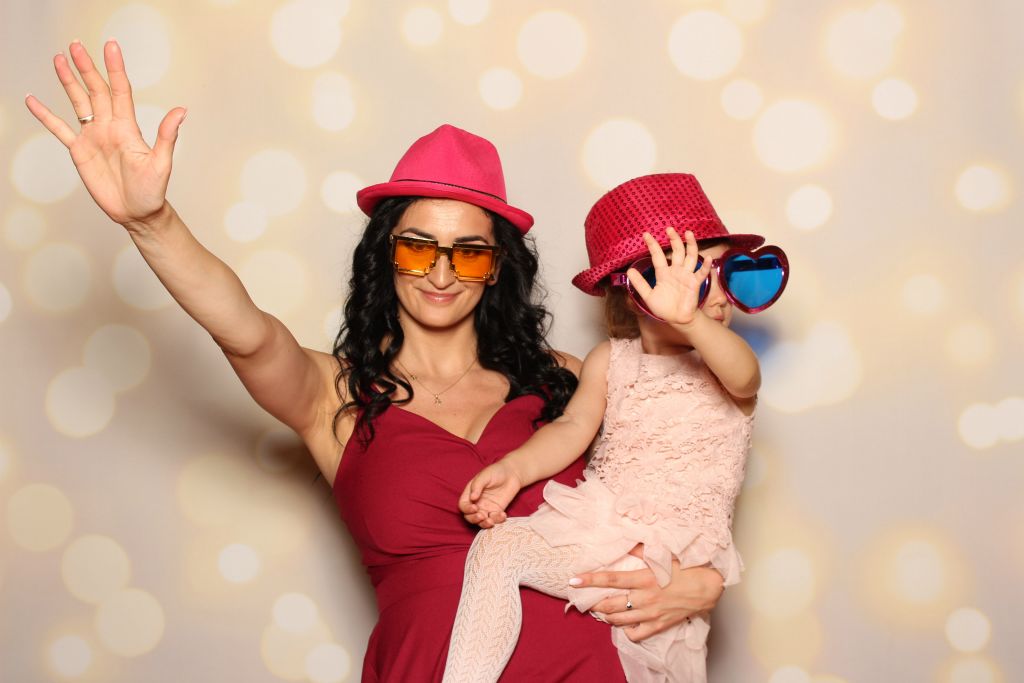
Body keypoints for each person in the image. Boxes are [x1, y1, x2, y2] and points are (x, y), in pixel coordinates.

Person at [25, 41, 728, 681]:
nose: (441, 274)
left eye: (469, 254)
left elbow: (684, 471)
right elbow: (245, 332)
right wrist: (151, 222)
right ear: (385, 256)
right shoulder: (331, 395)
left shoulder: (569, 377)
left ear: (496, 268)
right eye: (419, 248)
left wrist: (704, 583)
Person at [443, 174, 790, 682]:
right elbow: (572, 427)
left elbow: (746, 376)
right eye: (695, 278)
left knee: (652, 663)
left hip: (674, 562)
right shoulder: (610, 360)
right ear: (635, 292)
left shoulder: (725, 364)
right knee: (499, 549)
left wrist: (691, 321)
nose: (717, 296)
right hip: (602, 534)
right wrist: (514, 470)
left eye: (726, 274)